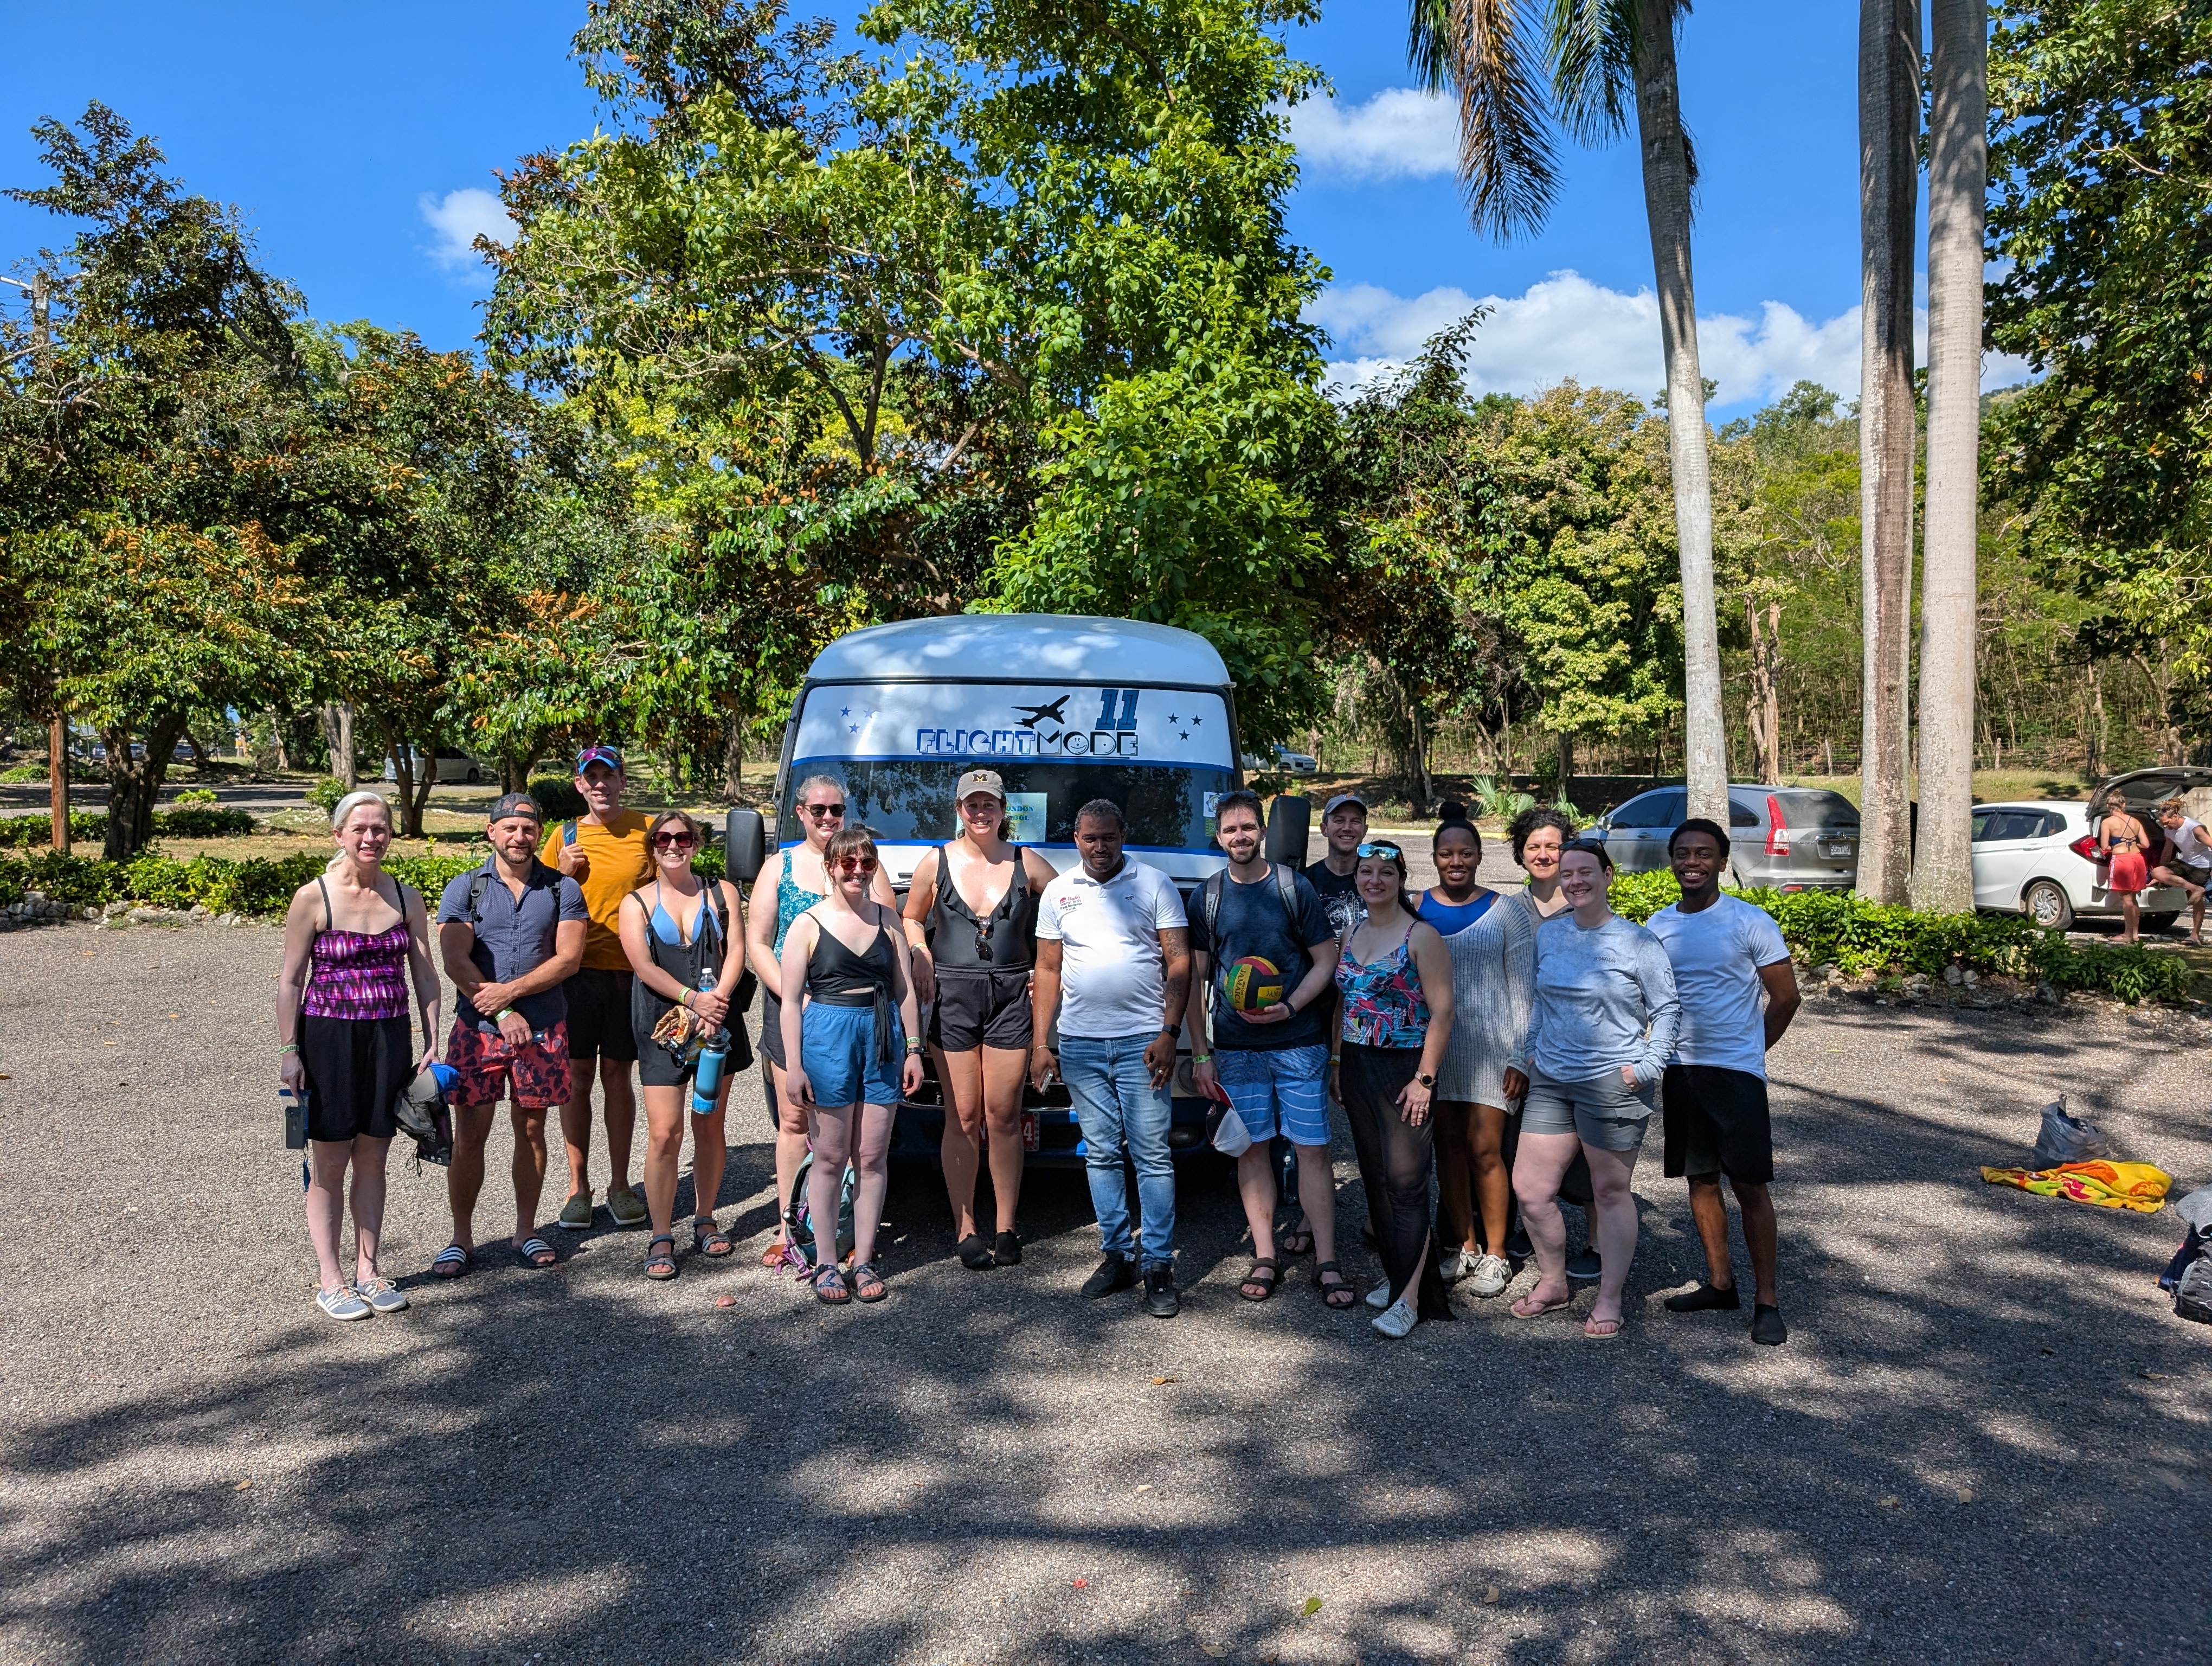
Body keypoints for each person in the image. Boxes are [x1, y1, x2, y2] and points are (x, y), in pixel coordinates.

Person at [276, 791, 441, 1320]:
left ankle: (368, 1270)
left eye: (380, 828)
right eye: (361, 829)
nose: (372, 837)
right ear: (340, 836)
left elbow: (423, 972)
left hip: (387, 1037)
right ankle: (332, 1279)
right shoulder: (313, 898)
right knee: (329, 1160)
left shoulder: (404, 896)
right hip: (327, 1041)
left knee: (374, 1156)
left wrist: (432, 1037)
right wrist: (289, 1052)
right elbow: (290, 980)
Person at [1506, 840, 1680, 1339]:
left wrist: (1648, 1066)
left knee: (1608, 1190)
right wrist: (1532, 1049)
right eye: (1567, 873)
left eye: (1586, 872)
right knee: (1533, 1191)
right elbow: (1541, 998)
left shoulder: (1638, 942)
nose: (1575, 881)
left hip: (1613, 1083)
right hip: (1552, 1080)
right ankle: (1554, 1283)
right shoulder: (1552, 934)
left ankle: (1609, 1297)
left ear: (1608, 876)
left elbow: (1667, 1008)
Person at [1184, 791, 1346, 1308]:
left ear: (1262, 831)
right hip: (1236, 1047)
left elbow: (1327, 960)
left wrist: (1292, 1007)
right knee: (1252, 1150)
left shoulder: (1291, 887)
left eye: (1248, 827)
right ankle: (1265, 1254)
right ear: (1218, 835)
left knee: (1312, 1151)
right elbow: (1194, 981)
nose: (1240, 837)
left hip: (1299, 1044)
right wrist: (1201, 1051)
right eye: (1230, 829)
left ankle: (1327, 1260)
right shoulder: (1208, 897)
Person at [1033, 799, 1192, 1318]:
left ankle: (1158, 1267)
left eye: (1109, 837)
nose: (1099, 847)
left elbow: (1179, 961)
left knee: (1152, 1155)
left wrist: (1170, 1032)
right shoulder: (1059, 892)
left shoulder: (1155, 884)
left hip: (1143, 1042)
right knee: (1099, 1152)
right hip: (1080, 1043)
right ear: (1075, 839)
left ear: (1124, 834)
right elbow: (1049, 969)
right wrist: (1043, 1043)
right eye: (1089, 838)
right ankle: (1118, 1255)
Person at [1648, 818, 1802, 1346]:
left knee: (1750, 1186)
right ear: (1672, 860)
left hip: (1736, 1074)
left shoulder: (1750, 921)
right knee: (1700, 1179)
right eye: (1683, 853)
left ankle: (1767, 1301)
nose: (1692, 862)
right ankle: (1720, 1283)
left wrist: (1751, 1051)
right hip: (1680, 1069)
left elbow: (1786, 998)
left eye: (1703, 854)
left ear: (1721, 860)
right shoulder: (1658, 924)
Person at [902, 768, 1058, 1271]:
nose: (981, 812)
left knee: (1004, 1116)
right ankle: (966, 1227)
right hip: (952, 996)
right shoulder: (937, 861)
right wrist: (920, 950)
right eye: (972, 804)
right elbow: (910, 915)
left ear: (1003, 809)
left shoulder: (1026, 863)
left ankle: (1007, 1225)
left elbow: (1068, 910)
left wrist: (1048, 967)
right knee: (963, 1116)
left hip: (1013, 995)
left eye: (990, 803)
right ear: (959, 808)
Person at [743, 775, 898, 1265]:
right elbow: (757, 941)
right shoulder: (779, 866)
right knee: (794, 1120)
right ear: (800, 813)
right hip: (793, 1003)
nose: (828, 819)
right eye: (818, 811)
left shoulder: (866, 863)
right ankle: (793, 1228)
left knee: (857, 1139)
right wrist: (800, 995)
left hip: (854, 1014)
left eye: (836, 810)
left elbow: (888, 932)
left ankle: (847, 1233)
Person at [434, 793, 589, 1276]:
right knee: (470, 1136)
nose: (519, 837)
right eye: (510, 828)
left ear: (538, 834)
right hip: (477, 1030)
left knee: (532, 1130)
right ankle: (462, 1238)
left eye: (528, 829)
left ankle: (526, 1230)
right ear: (492, 832)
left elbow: (569, 959)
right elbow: (455, 959)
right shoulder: (465, 888)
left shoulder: (564, 889)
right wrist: (501, 1011)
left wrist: (511, 994)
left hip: (544, 1030)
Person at [778, 826, 925, 1305]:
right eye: (849, 864)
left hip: (881, 1037)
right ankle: (825, 1262)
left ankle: (862, 1260)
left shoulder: (889, 920)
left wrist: (915, 1049)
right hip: (828, 1035)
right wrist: (795, 1066)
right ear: (832, 868)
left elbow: (904, 991)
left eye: (866, 863)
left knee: (872, 1157)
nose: (858, 872)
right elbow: (789, 1003)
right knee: (829, 1157)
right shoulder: (807, 924)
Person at [618, 810, 753, 1280]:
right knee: (664, 1133)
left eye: (683, 837)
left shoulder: (722, 893)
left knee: (710, 1123)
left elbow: (737, 950)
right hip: (663, 1026)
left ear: (696, 843)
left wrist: (716, 1002)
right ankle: (660, 1233)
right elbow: (643, 966)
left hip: (717, 1022)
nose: (673, 845)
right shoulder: (635, 902)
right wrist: (691, 998)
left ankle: (705, 1218)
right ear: (652, 846)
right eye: (663, 838)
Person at [1332, 840, 1456, 1338]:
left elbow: (1444, 1011)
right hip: (1359, 1066)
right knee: (1378, 1181)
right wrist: (1338, 1063)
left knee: (1407, 1185)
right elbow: (1343, 1007)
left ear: (1401, 878)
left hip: (1406, 1068)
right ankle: (1402, 1276)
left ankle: (1413, 1301)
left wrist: (1425, 1079)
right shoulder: (1351, 932)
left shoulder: (1421, 936)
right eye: (1366, 872)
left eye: (1386, 871)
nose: (1375, 880)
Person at [1420, 803, 1535, 1299]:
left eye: (1466, 852)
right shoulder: (1413, 907)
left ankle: (1497, 1253)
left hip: (1492, 1053)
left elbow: (1525, 990)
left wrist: (1520, 1055)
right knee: (1446, 1148)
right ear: (1435, 857)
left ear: (1480, 856)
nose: (1456, 861)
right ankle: (1463, 1245)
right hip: (1436, 1054)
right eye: (1447, 853)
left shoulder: (1507, 911)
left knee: (1486, 1150)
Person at [543, 746, 655, 1233]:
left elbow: (667, 891)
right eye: (593, 777)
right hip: (576, 974)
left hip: (630, 973)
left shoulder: (648, 830)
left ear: (622, 780)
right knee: (577, 1078)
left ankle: (620, 1185)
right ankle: (577, 1188)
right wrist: (561, 874)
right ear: (579, 784)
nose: (601, 785)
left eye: (609, 776)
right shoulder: (562, 837)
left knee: (618, 1077)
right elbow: (535, 902)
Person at [1303, 791, 1369, 938]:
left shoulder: (1376, 883)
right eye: (1339, 820)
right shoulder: (1305, 882)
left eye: (1356, 821)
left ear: (1365, 830)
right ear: (1324, 829)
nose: (1347, 827)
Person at [2097, 792, 2155, 943]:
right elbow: (2146, 844)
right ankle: (2134, 933)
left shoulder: (2108, 822)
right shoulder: (2135, 821)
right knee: (2134, 899)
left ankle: (2127, 935)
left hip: (2122, 861)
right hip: (2137, 859)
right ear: (2124, 805)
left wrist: (2116, 846)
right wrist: (2134, 845)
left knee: (2126, 900)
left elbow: (2104, 846)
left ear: (2108, 806)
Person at [2152, 798, 2210, 944]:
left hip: (2202, 865)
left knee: (2197, 901)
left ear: (2175, 817)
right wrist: (2162, 874)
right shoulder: (2169, 829)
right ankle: (2196, 889)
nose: (2165, 826)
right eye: (2162, 824)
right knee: (2157, 872)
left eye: (2167, 823)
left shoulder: (2195, 828)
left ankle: (2195, 935)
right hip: (2185, 861)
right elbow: (2167, 850)